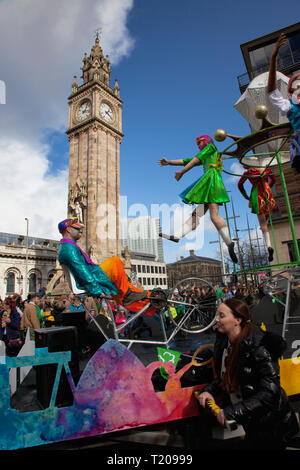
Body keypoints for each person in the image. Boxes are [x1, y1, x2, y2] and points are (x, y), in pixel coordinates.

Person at [197, 298, 299, 450]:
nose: (216, 319)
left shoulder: (259, 347)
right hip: (252, 422)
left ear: (238, 320)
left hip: (271, 425)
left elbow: (270, 392)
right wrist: (208, 391)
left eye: (222, 316)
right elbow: (228, 377)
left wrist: (232, 412)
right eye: (217, 315)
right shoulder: (226, 344)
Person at [158, 135, 238, 263]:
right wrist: (169, 163)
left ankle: (229, 242)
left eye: (200, 143)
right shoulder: (207, 155)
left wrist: (182, 172)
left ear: (206, 142)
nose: (199, 146)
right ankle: (177, 235)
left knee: (214, 216)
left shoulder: (211, 148)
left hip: (212, 181)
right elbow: (187, 160)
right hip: (210, 183)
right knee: (196, 214)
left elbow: (194, 160)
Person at [57, 217, 156, 316]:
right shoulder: (69, 249)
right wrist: (97, 291)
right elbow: (82, 271)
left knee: (116, 266)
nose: (80, 230)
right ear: (69, 230)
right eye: (77, 228)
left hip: (94, 274)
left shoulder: (68, 247)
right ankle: (131, 295)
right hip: (93, 278)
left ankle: (138, 296)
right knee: (115, 263)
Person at [267, 33, 300, 173]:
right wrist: (273, 58)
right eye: (297, 87)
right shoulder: (289, 105)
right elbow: (272, 92)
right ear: (292, 93)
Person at [238, 165, 278, 262]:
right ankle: (266, 230)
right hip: (267, 191)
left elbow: (240, 185)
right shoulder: (267, 170)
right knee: (267, 215)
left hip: (257, 194)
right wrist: (269, 186)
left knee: (263, 224)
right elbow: (274, 180)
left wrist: (245, 195)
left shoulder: (248, 173)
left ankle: (269, 245)